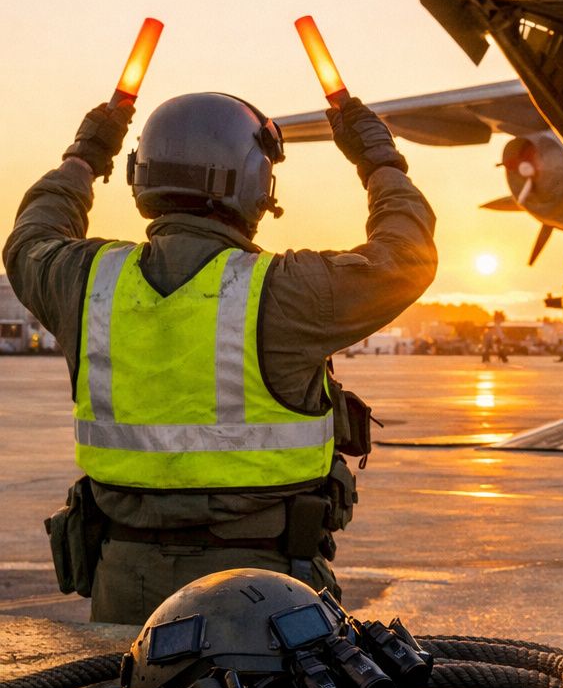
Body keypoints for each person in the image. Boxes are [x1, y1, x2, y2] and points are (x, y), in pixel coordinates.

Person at [4, 92, 436, 625]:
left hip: (123, 585)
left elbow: (30, 238)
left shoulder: (86, 281)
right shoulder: (284, 292)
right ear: (255, 183)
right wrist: (379, 160)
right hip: (267, 593)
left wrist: (84, 157)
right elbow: (406, 255)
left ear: (144, 175)